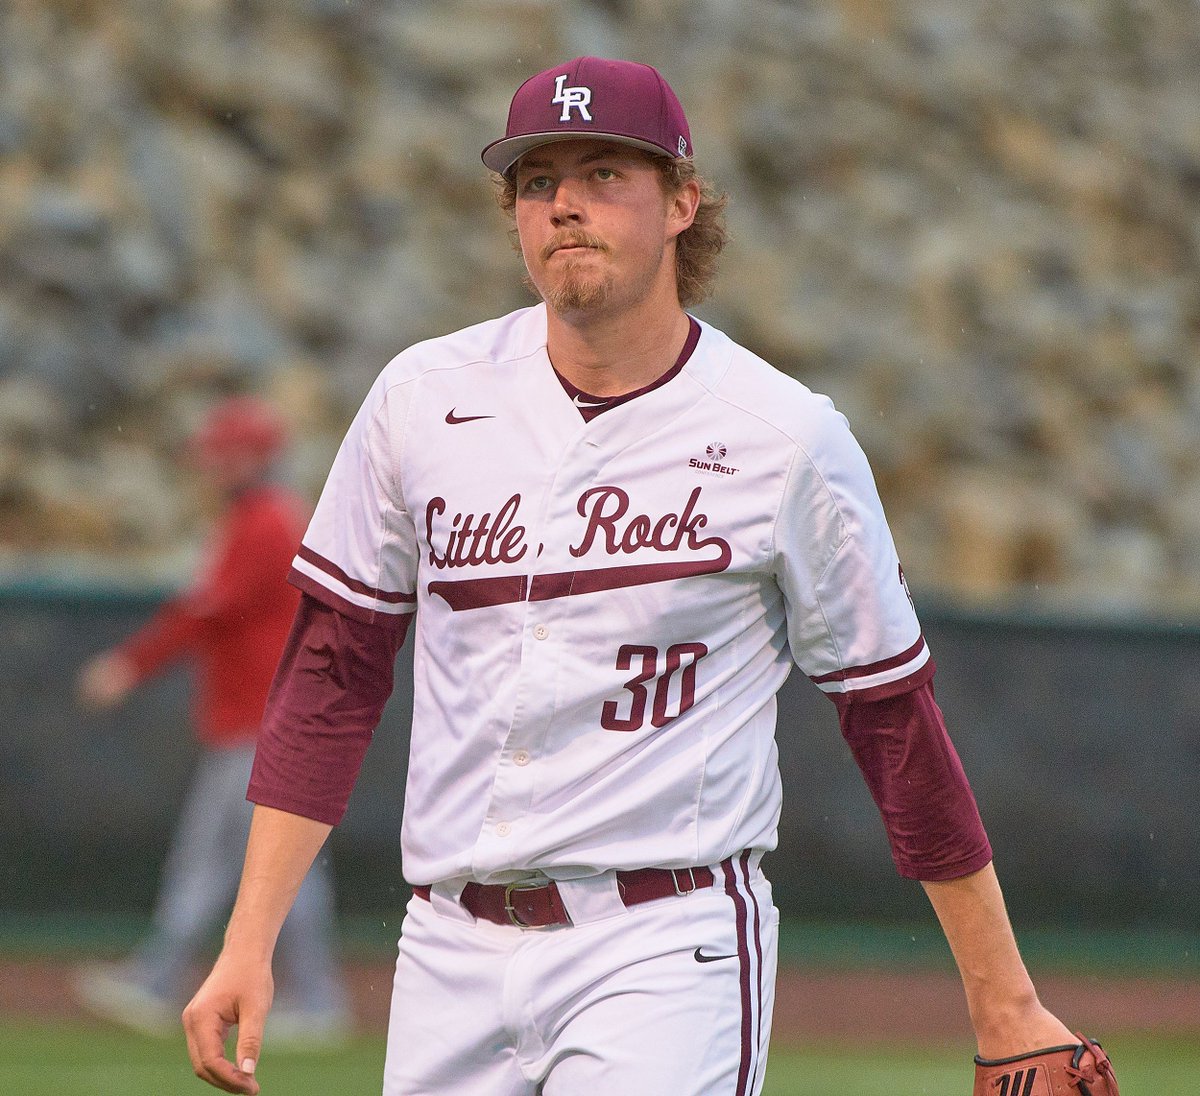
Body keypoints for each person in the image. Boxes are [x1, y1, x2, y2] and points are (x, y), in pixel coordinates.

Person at [182, 58, 1094, 1095]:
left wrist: (1004, 997)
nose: (564, 202)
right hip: (446, 947)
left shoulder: (783, 436)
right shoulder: (420, 399)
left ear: (681, 201)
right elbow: (332, 678)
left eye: (605, 172)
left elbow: (891, 716)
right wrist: (247, 940)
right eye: (536, 181)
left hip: (664, 945)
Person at [75, 395, 350, 1045]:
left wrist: (128, 665)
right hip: (270, 721)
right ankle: (291, 993)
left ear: (250, 457)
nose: (209, 467)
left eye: (222, 455)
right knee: (259, 863)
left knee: (247, 863)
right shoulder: (271, 515)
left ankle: (280, 993)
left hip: (262, 725)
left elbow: (202, 612)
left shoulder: (263, 521)